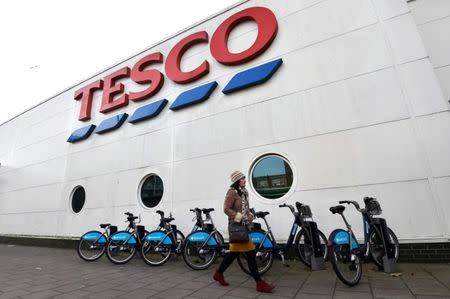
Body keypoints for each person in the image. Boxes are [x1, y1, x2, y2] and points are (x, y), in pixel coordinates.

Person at [213, 170, 275, 293]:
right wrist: (239, 217)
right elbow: (226, 209)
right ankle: (259, 283)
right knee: (251, 253)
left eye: (244, 178)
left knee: (233, 254)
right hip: (236, 227)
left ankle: (218, 273)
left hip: (243, 227)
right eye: (242, 179)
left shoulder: (244, 192)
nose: (245, 180)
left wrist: (250, 215)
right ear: (237, 181)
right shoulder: (232, 192)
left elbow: (245, 208)